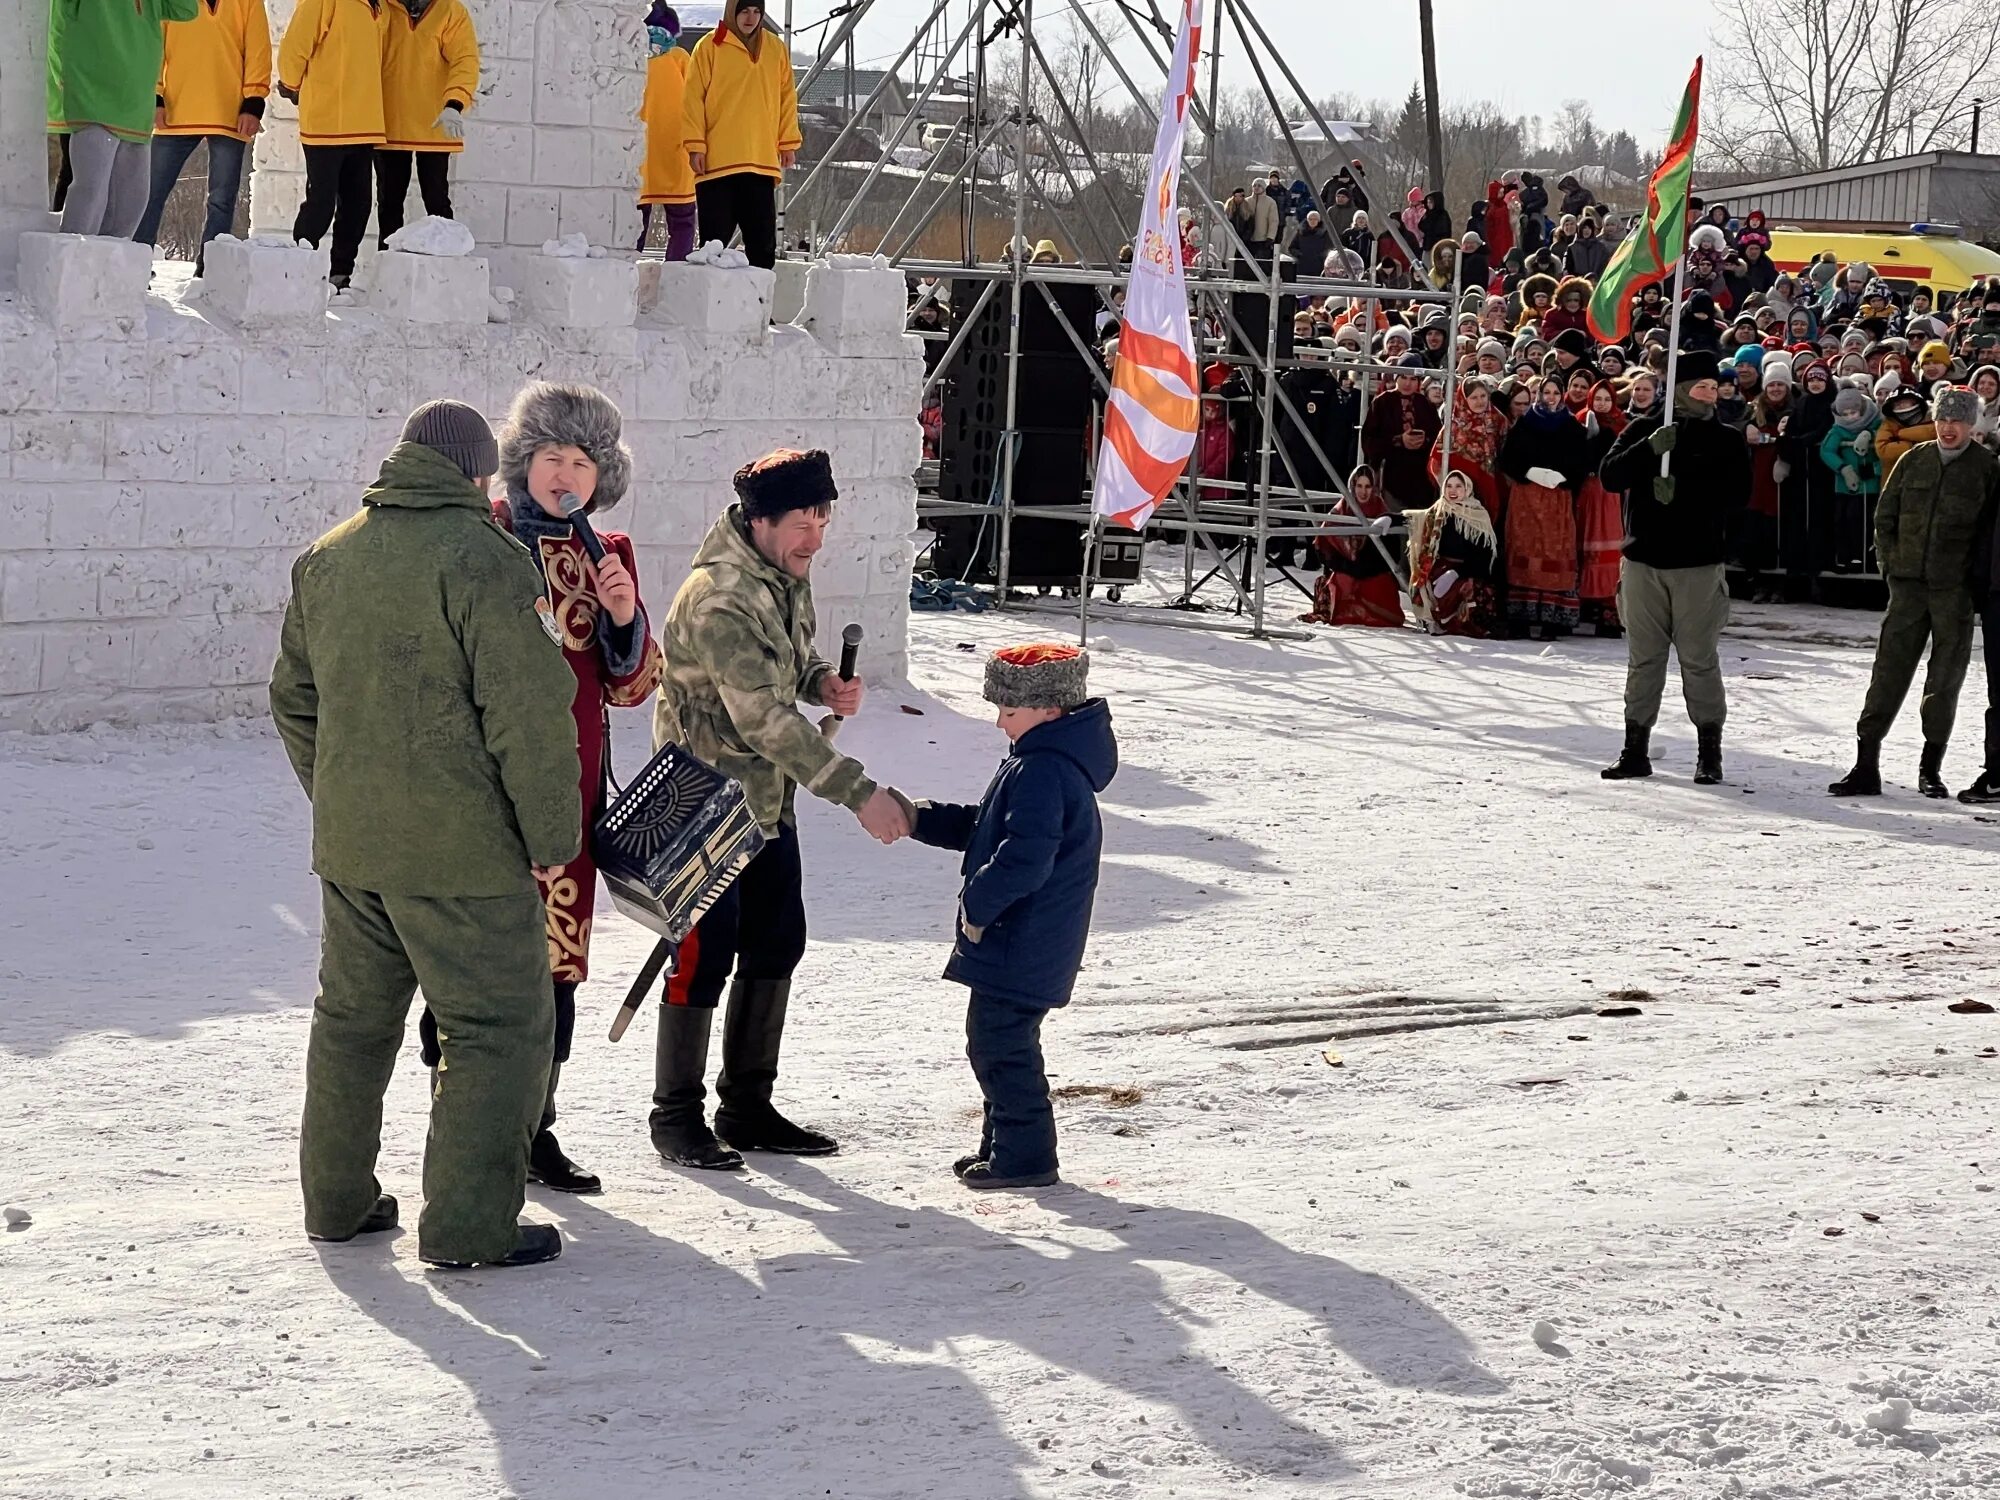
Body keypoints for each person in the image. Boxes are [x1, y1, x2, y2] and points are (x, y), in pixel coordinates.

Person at [269, 400, 581, 1270]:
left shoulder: (328, 557)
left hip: (355, 847)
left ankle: (336, 1204)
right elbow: (530, 715)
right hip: (464, 855)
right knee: (499, 1029)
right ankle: (471, 1225)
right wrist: (552, 835)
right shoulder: (486, 560)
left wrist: (342, 792)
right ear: (479, 475)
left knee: (353, 1023)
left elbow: (294, 700)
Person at [405, 383, 659, 1197]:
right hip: (482, 792)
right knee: (476, 964)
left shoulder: (607, 551)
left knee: (557, 966)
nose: (565, 473)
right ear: (523, 461)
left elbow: (632, 689)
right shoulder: (485, 536)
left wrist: (623, 619)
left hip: (570, 798)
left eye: (582, 461)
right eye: (552, 456)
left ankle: (533, 1127)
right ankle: (462, 1127)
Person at [648, 449, 913, 1170]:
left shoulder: (781, 575)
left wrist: (823, 681)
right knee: (701, 959)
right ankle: (676, 1117)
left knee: (776, 944)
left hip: (765, 801)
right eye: (803, 521)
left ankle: (747, 1107)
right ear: (759, 520)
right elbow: (764, 717)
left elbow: (787, 668)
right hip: (701, 805)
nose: (816, 538)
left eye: (823, 519)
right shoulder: (721, 599)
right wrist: (861, 793)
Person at [906, 645, 1116, 1191]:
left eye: (1009, 710)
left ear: (1048, 709)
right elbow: (990, 829)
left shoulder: (1044, 768)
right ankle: (1003, 1149)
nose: (1000, 719)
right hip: (1026, 938)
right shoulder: (1042, 760)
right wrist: (919, 819)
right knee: (997, 1040)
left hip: (1023, 938)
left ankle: (1025, 1159)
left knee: (1001, 1043)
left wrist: (977, 905)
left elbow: (1025, 857)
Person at [1829, 387, 2000, 798]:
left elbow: (1986, 534)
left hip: (1952, 592)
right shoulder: (1913, 459)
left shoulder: (1986, 468)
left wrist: (1972, 583)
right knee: (1887, 674)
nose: (1948, 428)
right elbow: (1884, 516)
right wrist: (1891, 567)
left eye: (1957, 421)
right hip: (1906, 588)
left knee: (1944, 682)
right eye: (1942, 419)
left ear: (1970, 425)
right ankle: (1866, 763)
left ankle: (1930, 768)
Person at [1598, 353, 1751, 783]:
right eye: (1700, 386)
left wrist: (1684, 490)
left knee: (1698, 660)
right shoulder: (1647, 429)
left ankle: (1709, 753)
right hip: (1644, 562)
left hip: (1697, 566)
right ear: (1681, 389)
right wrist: (1650, 453)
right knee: (1643, 660)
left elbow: (1738, 497)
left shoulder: (1727, 440)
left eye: (1713, 386)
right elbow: (1610, 474)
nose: (1710, 394)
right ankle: (1634, 749)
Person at [136, 0, 270, 273]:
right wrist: (155, 95)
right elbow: (154, 44)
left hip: (230, 110)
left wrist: (254, 101)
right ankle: (135, 262)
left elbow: (258, 49)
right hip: (175, 109)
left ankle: (210, 270)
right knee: (151, 191)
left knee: (222, 198)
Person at [47, 0, 199, 238]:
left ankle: (111, 271)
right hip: (93, 96)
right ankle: (71, 267)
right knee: (91, 197)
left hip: (136, 105)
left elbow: (186, 9)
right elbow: (56, 25)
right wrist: (64, 78)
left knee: (132, 202)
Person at [681, 0, 799, 270]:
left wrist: (788, 141)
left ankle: (758, 310)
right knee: (714, 246)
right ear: (732, 12)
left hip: (760, 161)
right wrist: (695, 145)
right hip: (717, 162)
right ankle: (713, 310)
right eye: (744, 10)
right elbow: (692, 100)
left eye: (757, 11)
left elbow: (787, 98)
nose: (751, 17)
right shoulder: (709, 46)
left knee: (762, 246)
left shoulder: (775, 48)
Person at [279, 0, 389, 290]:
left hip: (366, 124)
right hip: (326, 122)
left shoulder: (382, 8)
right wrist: (291, 85)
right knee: (321, 203)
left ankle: (340, 275)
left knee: (358, 205)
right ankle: (299, 270)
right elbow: (295, 46)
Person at [375, 0, 479, 247]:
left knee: (437, 202)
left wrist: (455, 103)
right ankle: (387, 269)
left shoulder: (450, 11)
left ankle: (448, 265)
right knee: (389, 204)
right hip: (389, 123)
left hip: (436, 123)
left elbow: (465, 60)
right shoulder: (381, 8)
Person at [1497, 375, 1590, 638]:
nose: (1550, 397)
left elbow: (1582, 462)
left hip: (1557, 499)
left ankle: (1552, 619)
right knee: (1523, 548)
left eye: (1555, 393)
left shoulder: (1572, 427)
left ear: (1562, 395)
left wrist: (1564, 477)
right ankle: (1521, 618)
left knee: (1555, 551)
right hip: (1526, 497)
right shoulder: (1524, 424)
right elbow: (1507, 459)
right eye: (1546, 392)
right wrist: (1528, 472)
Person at [1304, 466, 1402, 628]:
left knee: (1379, 587)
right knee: (1343, 581)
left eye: (1368, 486)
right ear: (1352, 486)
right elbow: (1324, 549)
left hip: (1372, 571)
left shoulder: (1381, 510)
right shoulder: (1340, 511)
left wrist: (1367, 568)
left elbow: (1392, 552)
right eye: (1359, 486)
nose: (1363, 492)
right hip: (1344, 569)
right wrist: (1346, 566)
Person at [1407, 468, 1500, 636]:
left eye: (1458, 486)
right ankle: (1435, 620)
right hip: (1441, 567)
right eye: (1449, 486)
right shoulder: (1439, 511)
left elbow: (1484, 557)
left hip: (1470, 570)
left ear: (1467, 489)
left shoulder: (1479, 516)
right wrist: (1390, 518)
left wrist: (1456, 573)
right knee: (1426, 582)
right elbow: (1416, 516)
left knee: (1467, 591)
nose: (1453, 491)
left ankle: (1460, 622)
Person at [636, 4, 696, 255]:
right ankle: (675, 280)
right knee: (682, 223)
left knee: (631, 227)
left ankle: (623, 282)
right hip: (675, 151)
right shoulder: (680, 59)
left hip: (637, 153)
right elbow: (697, 101)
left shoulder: (627, 56)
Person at [1360, 355, 1442, 516]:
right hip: (1390, 477)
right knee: (1390, 523)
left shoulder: (1426, 405)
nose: (1407, 383)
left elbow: (1438, 438)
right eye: (1403, 377)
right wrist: (1398, 440)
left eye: (1413, 378)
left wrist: (1423, 441)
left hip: (1421, 480)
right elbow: (1369, 441)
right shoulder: (1382, 403)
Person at [1820, 384, 1882, 572]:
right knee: (1842, 520)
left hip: (1869, 485)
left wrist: (1875, 468)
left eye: (1853, 412)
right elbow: (1826, 450)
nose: (1850, 417)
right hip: (1844, 486)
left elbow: (1884, 448)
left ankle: (1866, 557)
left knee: (1864, 521)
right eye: (1845, 414)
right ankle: (1845, 556)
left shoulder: (1876, 424)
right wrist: (1843, 468)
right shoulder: (1837, 430)